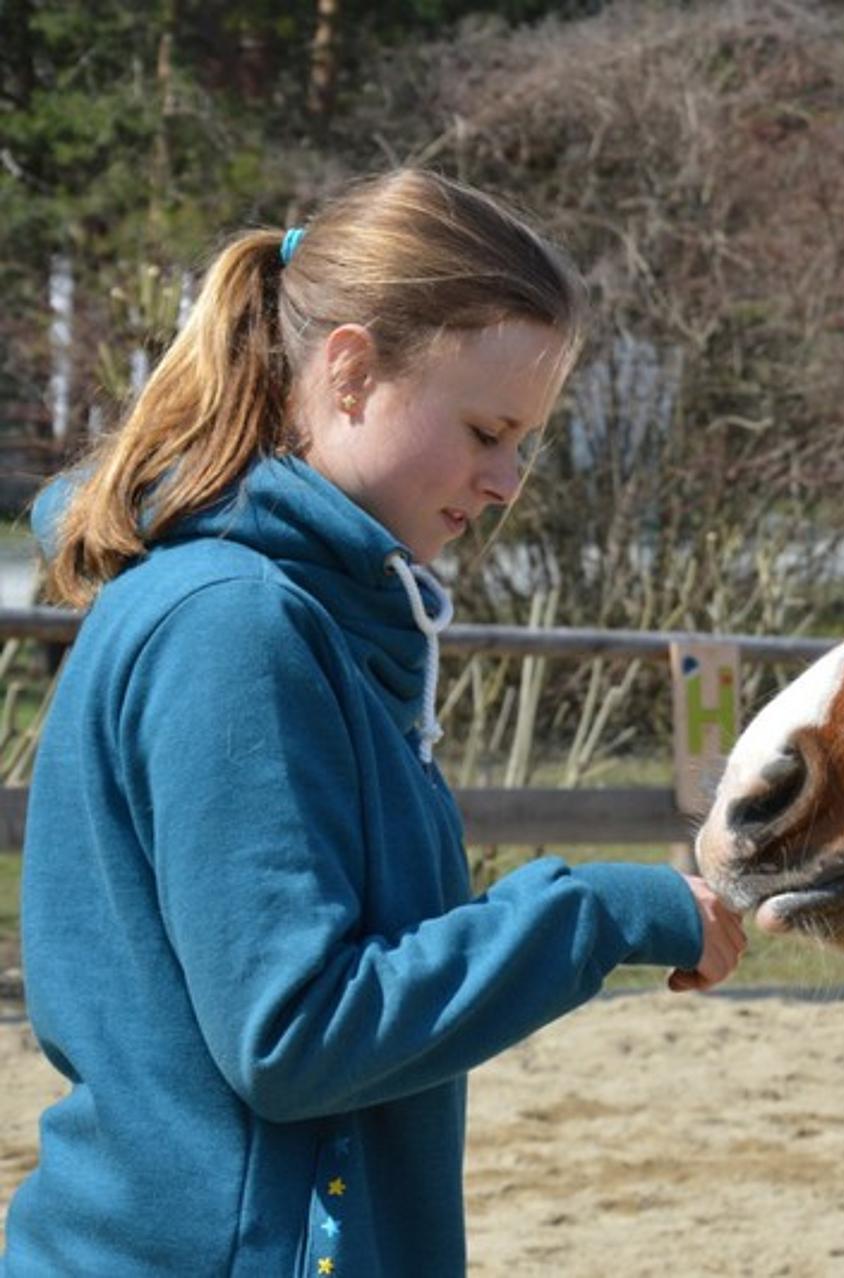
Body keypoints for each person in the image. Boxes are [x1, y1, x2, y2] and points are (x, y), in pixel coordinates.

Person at [0, 169, 747, 1276]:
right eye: (488, 429)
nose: (507, 481)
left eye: (526, 441)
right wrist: (601, 911)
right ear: (349, 372)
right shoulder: (234, 626)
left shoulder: (302, 621)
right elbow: (297, 1035)